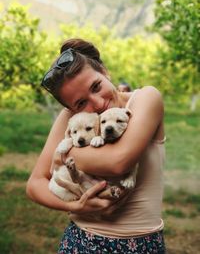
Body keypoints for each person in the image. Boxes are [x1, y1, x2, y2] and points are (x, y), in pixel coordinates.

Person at [26, 38, 166, 253]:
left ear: (104, 71)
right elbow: (35, 184)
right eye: (81, 103)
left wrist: (62, 153)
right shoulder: (71, 118)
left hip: (142, 244)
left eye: (96, 86)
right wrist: (74, 206)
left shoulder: (144, 99)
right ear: (72, 109)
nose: (98, 103)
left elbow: (118, 162)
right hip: (81, 242)